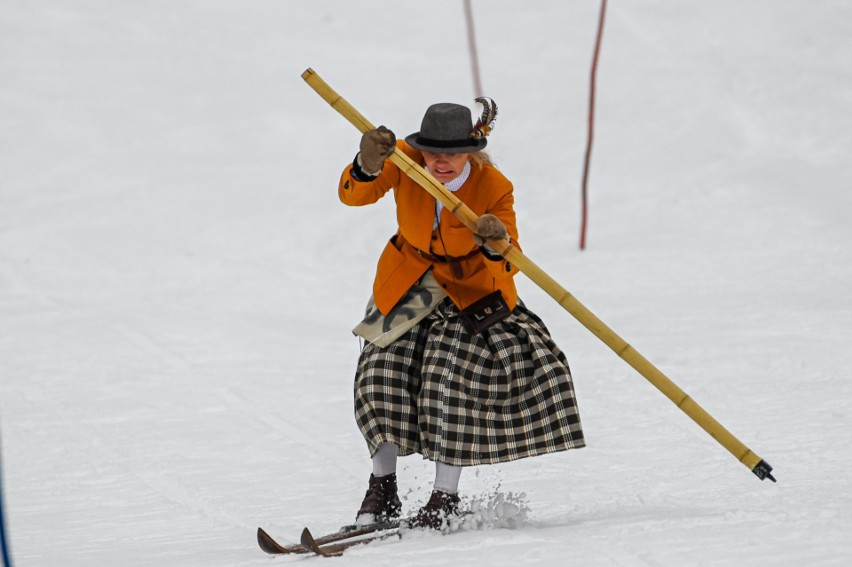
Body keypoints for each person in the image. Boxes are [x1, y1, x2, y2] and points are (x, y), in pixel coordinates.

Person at [337, 100, 585, 530]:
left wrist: (495, 242)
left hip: (470, 293)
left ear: (470, 152)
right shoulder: (406, 163)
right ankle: (382, 489)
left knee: (446, 385)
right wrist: (366, 163)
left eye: (450, 154)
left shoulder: (494, 186)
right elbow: (355, 195)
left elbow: (510, 261)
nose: (440, 162)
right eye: (433, 152)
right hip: (409, 282)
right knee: (377, 380)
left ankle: (443, 498)